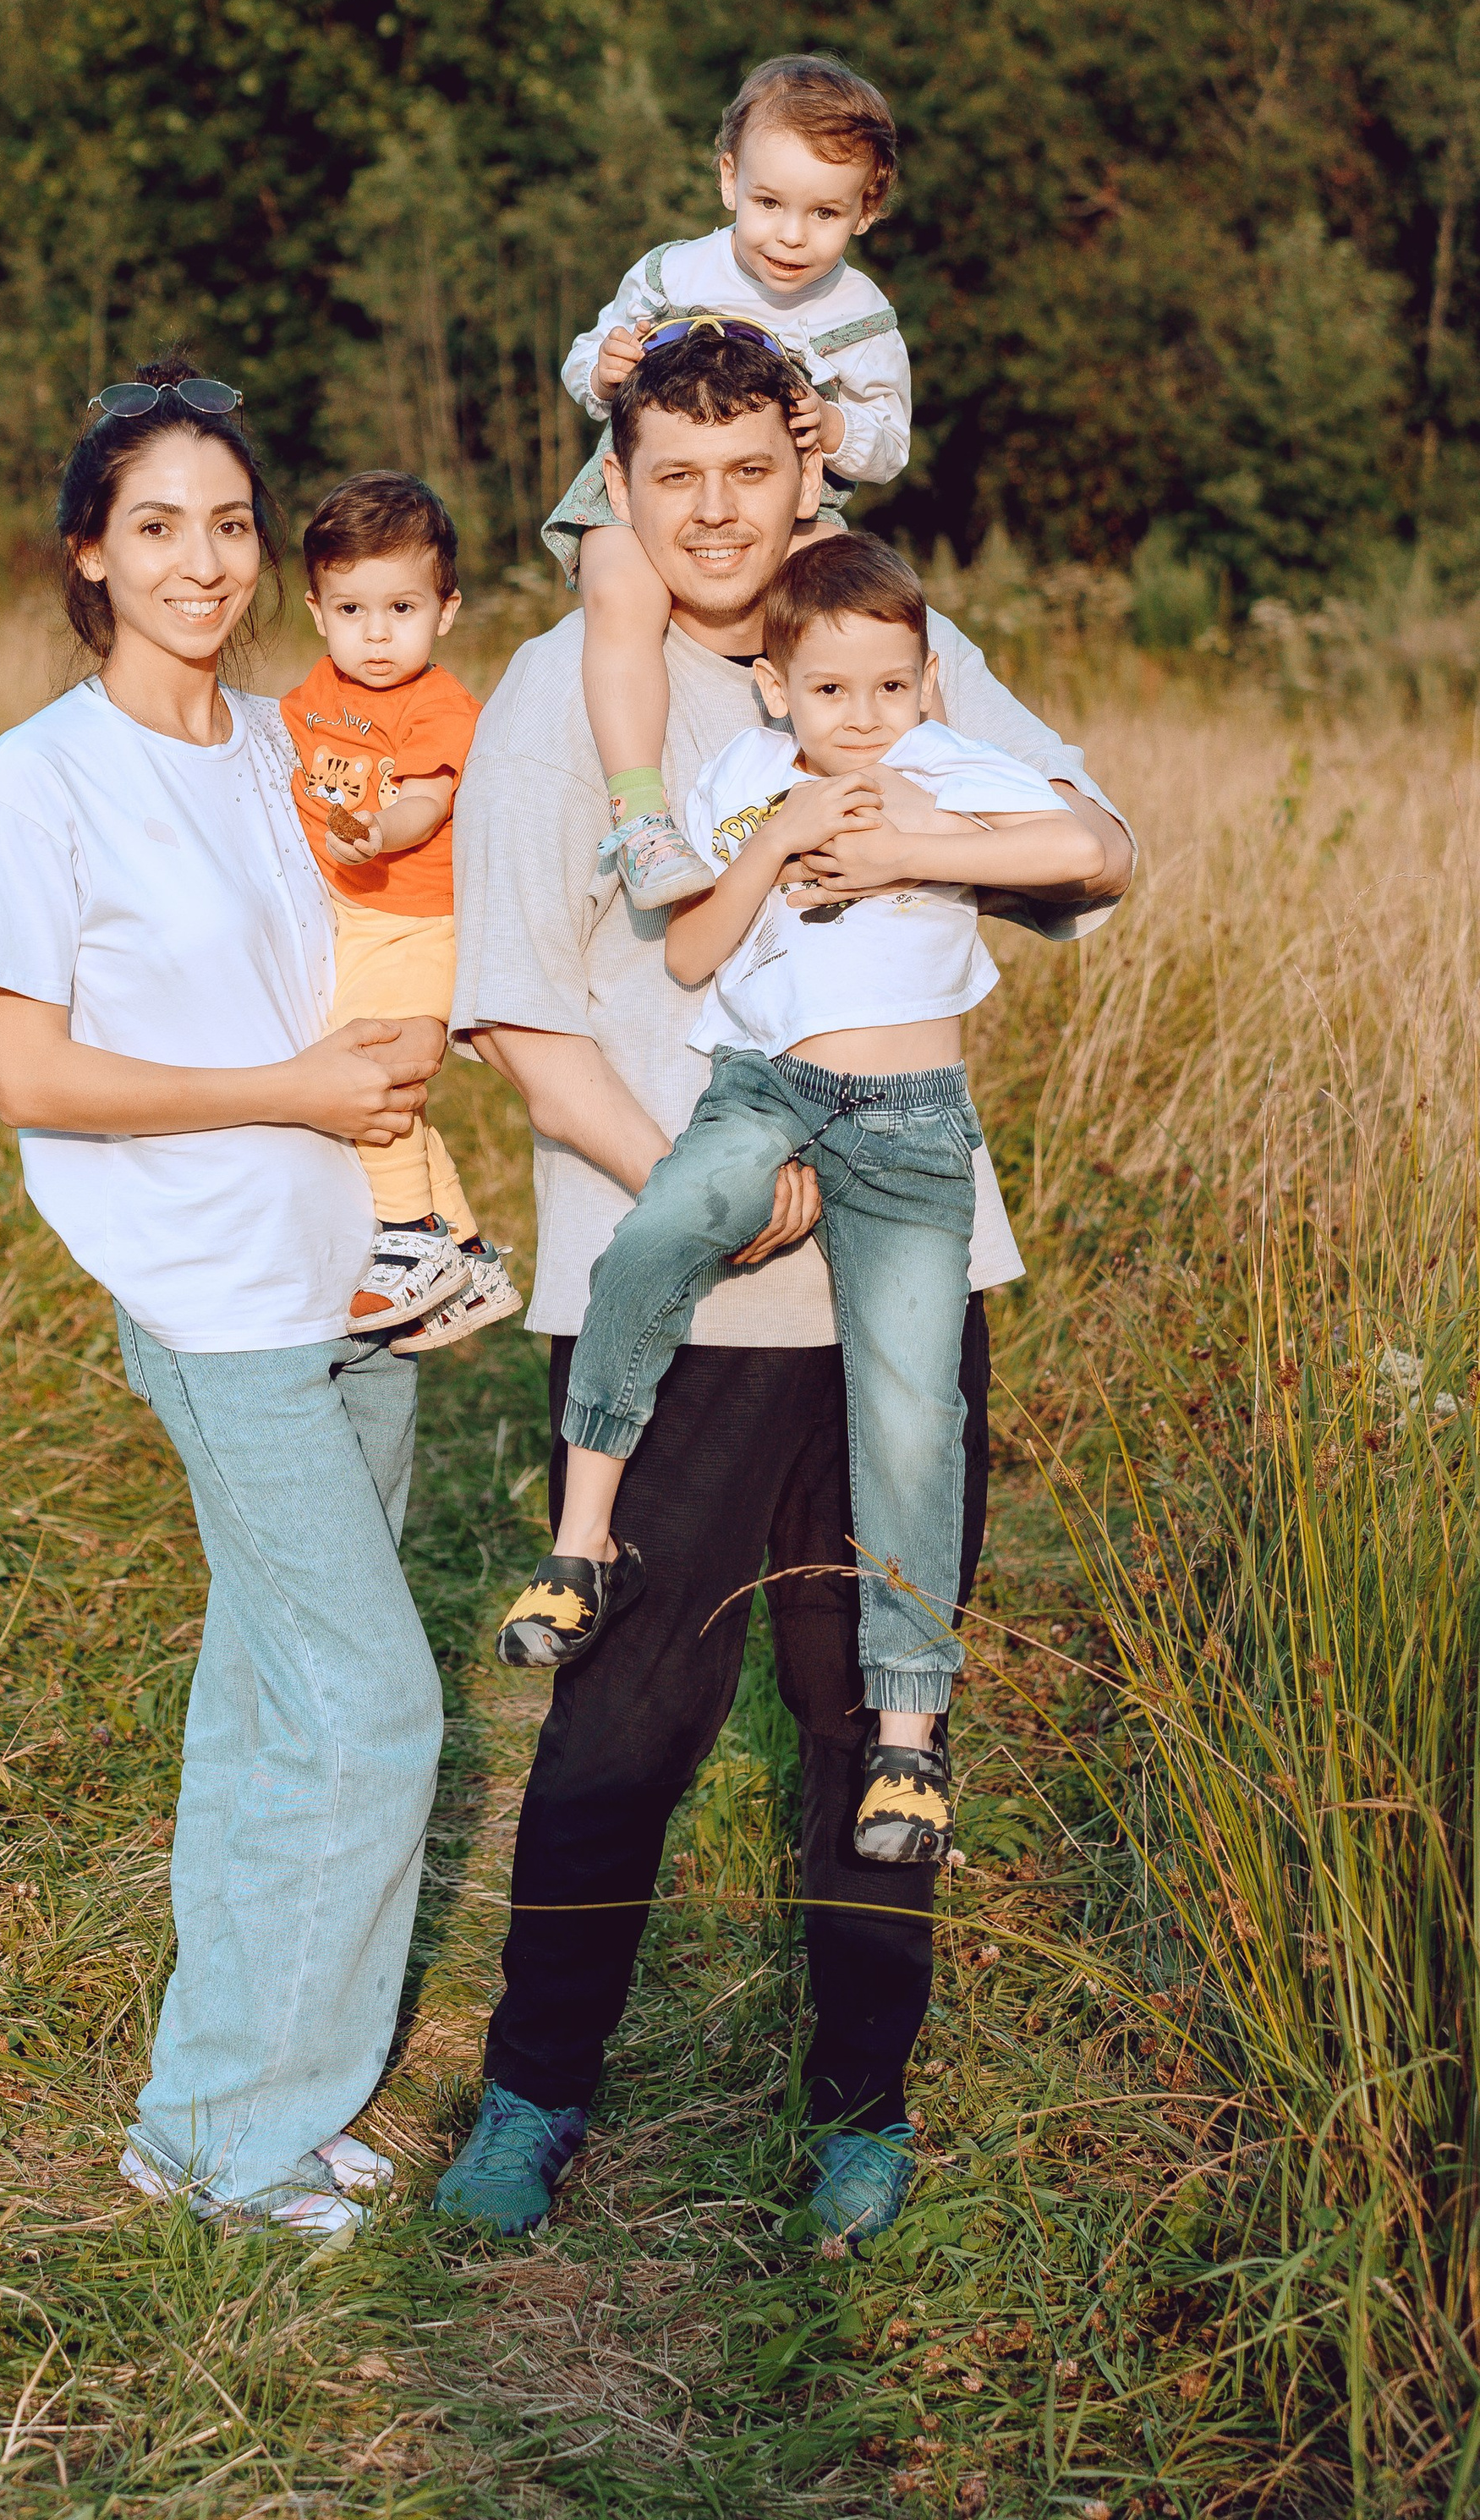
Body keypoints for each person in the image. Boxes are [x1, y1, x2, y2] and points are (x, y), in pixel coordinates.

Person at [434, 321, 1134, 2248]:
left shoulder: (886, 643)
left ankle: (859, 2107)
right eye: (674, 478)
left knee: (865, 1703)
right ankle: (531, 2086)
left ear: (799, 463)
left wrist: (899, 825)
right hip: (678, 1278)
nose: (715, 512)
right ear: (621, 483)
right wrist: (705, 1200)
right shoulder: (552, 690)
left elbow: (1090, 852)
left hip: (906, 1270)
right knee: (623, 1712)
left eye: (748, 471)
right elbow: (509, 1006)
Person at [0, 356, 445, 2241]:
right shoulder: (41, 777)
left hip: (351, 1267)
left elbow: (369, 940)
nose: (202, 559)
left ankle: (225, 2103)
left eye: (230, 524)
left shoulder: (286, 743)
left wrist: (389, 1044)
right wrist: (288, 1089)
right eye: (156, 525)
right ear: (89, 552)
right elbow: (33, 1077)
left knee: (265, 1701)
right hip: (209, 1294)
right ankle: (238, 2143)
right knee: (368, 1701)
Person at [497, 533, 1099, 1873]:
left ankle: (906, 1732)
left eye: (891, 689)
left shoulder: (941, 765)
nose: (864, 716)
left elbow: (1086, 846)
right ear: (779, 692)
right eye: (833, 693)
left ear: (925, 684)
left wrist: (915, 845)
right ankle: (581, 1543)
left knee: (909, 1409)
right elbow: (697, 946)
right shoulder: (746, 777)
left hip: (913, 1127)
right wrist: (779, 839)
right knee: (651, 1238)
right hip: (765, 1091)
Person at [547, 54, 910, 910]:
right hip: (646, 492)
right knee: (619, 597)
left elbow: (890, 446)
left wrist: (835, 427)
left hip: (796, 500)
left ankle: (857, 804)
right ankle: (641, 818)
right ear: (726, 181)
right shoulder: (673, 273)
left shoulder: (859, 316)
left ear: (867, 208)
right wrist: (602, 374)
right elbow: (579, 365)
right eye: (767, 204)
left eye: (823, 213)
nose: (789, 235)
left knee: (847, 610)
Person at [279, 471, 523, 1352]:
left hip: (417, 920)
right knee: (382, 1084)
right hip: (354, 919)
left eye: (400, 610)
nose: (375, 636)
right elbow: (283, 756)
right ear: (317, 610)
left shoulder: (440, 706)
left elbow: (425, 803)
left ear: (445, 611)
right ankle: (466, 1255)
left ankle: (409, 1230)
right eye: (351, 611)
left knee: (368, 1074)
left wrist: (377, 832)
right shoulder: (315, 693)